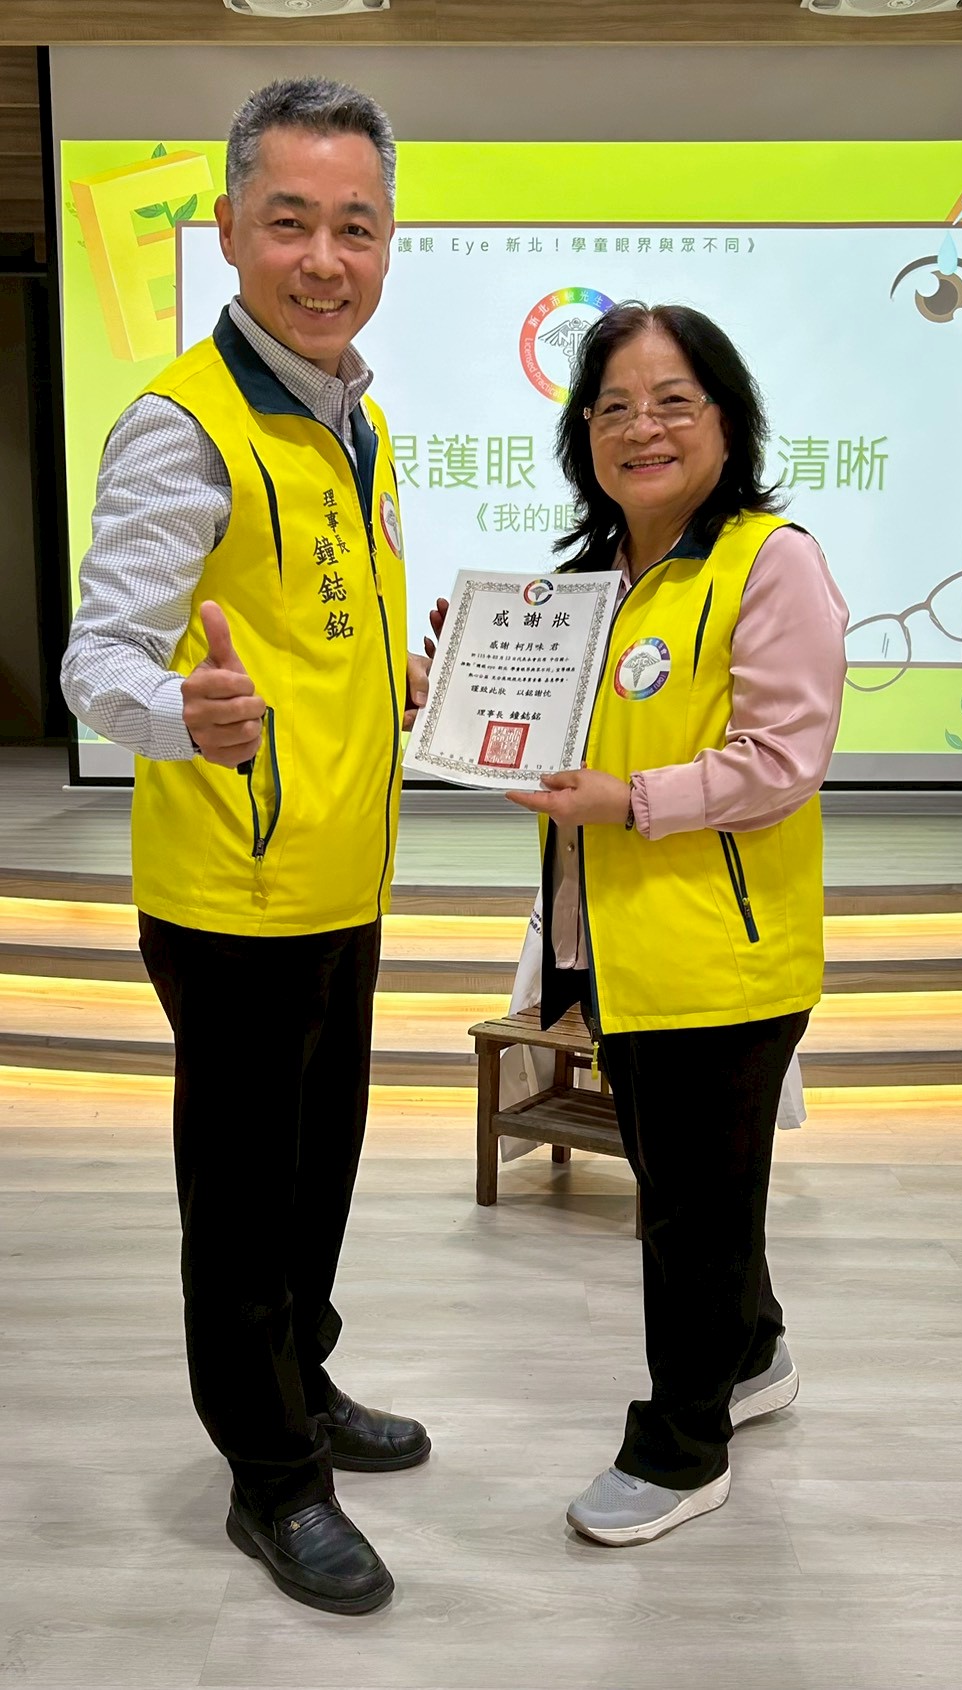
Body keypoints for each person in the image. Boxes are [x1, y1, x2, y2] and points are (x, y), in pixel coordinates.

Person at [61, 78, 434, 1616]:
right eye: (290, 221)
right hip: (234, 892)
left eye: (356, 225)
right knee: (243, 1198)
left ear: (388, 239)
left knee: (319, 1169)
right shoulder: (184, 423)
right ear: (226, 229)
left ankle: (306, 1375)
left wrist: (401, 676)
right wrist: (183, 712)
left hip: (341, 874)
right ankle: (270, 1473)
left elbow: (314, 629)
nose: (324, 258)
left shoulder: (358, 416)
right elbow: (101, 660)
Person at [507, 301, 849, 1546]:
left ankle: (680, 1446)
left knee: (687, 1213)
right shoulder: (587, 584)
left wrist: (629, 800)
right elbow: (563, 752)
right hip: (617, 940)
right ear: (581, 434)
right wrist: (471, 682)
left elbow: (781, 758)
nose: (638, 428)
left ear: (724, 420)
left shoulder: (769, 561)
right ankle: (748, 1355)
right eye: (610, 406)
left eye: (669, 402)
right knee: (686, 1184)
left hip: (722, 950)